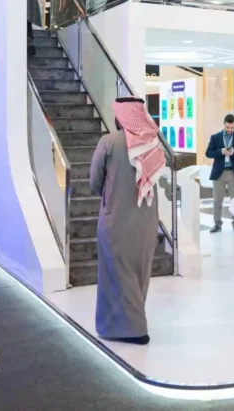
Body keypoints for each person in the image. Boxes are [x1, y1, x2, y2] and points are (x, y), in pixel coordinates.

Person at [89, 98, 164, 345]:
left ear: (120, 116)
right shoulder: (153, 143)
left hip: (116, 220)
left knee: (117, 273)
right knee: (138, 273)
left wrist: (112, 195)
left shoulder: (109, 142)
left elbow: (94, 181)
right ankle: (125, 325)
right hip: (146, 221)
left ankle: (133, 330)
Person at [205, 114, 234, 233]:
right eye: (228, 127)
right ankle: (217, 224)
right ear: (224, 124)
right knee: (217, 201)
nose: (229, 130)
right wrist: (221, 151)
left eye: (232, 128)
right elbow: (208, 153)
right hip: (219, 173)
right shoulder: (215, 137)